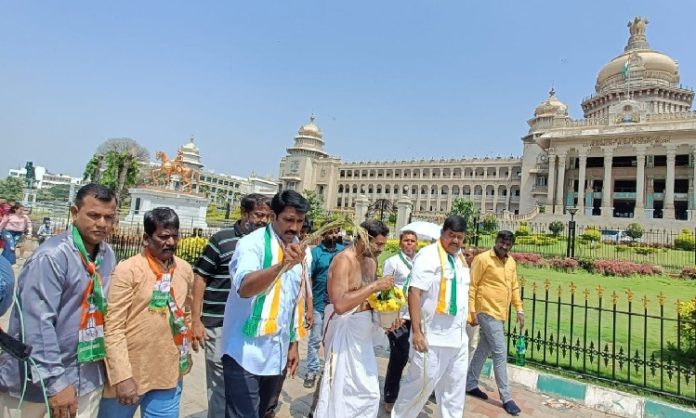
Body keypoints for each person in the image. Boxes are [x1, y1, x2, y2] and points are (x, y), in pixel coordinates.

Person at [0, 183, 118, 418]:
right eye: (94, 215)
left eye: (109, 217)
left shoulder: (107, 255)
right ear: (75, 213)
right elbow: (37, 324)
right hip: (35, 382)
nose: (102, 223)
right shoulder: (52, 257)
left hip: (85, 376)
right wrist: (55, 381)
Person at [98, 207, 194, 418]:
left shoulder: (184, 270)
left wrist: (185, 351)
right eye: (163, 237)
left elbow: (185, 313)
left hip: (168, 373)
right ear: (145, 239)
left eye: (175, 236)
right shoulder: (128, 270)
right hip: (130, 375)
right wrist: (122, 377)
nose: (170, 242)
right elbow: (113, 327)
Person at [221, 190, 310, 418]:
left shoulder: (298, 248)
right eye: (288, 220)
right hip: (244, 352)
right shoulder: (252, 244)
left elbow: (293, 300)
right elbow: (245, 287)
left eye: (299, 221)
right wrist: (281, 265)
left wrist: (293, 344)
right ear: (273, 216)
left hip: (276, 352)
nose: (294, 227)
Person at [190, 194, 272, 418]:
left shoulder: (269, 245)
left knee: (242, 384)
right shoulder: (222, 239)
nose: (263, 220)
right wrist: (195, 320)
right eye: (258, 215)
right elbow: (200, 278)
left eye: (267, 216)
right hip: (218, 323)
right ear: (244, 214)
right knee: (220, 386)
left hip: (248, 325)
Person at [313, 219, 395, 418]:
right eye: (378, 244)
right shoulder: (343, 260)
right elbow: (340, 304)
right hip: (344, 332)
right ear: (364, 238)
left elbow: (371, 298)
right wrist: (375, 286)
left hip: (363, 337)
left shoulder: (371, 261)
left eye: (384, 244)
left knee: (368, 392)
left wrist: (389, 314)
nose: (381, 249)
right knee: (339, 389)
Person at [391, 215, 471, 418]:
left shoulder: (460, 258)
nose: (455, 241)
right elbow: (414, 292)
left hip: (458, 339)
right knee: (419, 387)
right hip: (431, 339)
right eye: (451, 235)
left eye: (459, 237)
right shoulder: (428, 255)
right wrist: (417, 332)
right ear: (442, 233)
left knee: (454, 392)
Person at [466, 230, 524, 416]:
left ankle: (470, 383)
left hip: (500, 312)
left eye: (508, 244)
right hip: (485, 309)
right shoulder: (483, 259)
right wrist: (471, 311)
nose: (504, 246)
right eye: (501, 242)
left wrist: (519, 309)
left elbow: (513, 286)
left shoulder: (511, 262)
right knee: (500, 352)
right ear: (496, 241)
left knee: (484, 348)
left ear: (511, 246)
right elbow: (472, 285)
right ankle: (506, 397)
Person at [381, 230, 418, 413]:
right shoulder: (392, 262)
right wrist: (389, 317)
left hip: (416, 316)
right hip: (399, 317)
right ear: (401, 243)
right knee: (399, 357)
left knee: (416, 356)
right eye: (406, 240)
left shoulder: (420, 262)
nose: (409, 244)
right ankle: (390, 395)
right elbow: (385, 290)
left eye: (412, 241)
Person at [303, 227, 344, 389]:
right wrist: (309, 306)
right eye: (330, 233)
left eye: (335, 233)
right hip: (320, 303)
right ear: (323, 234)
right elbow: (308, 279)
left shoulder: (342, 251)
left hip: (337, 304)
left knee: (333, 339)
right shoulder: (316, 253)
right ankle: (312, 370)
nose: (333, 236)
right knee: (315, 339)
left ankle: (330, 370)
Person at [462, 246, 480, 361]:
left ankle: (467, 373)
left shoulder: (479, 274)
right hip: (459, 314)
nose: (464, 257)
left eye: (467, 255)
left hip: (472, 315)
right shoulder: (459, 271)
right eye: (463, 254)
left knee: (471, 345)